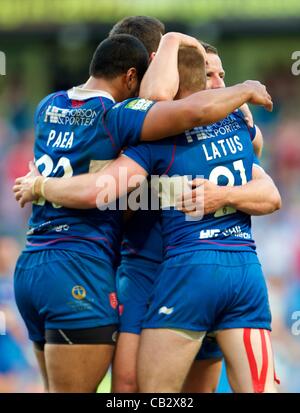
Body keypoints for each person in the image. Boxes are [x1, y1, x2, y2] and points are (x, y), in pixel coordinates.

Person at [13, 29, 272, 393]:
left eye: (222, 76)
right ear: (148, 71)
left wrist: (222, 192)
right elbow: (156, 103)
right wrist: (238, 91)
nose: (217, 83)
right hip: (141, 269)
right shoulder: (137, 127)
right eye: (209, 74)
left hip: (197, 268)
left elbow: (269, 191)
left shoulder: (235, 127)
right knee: (132, 387)